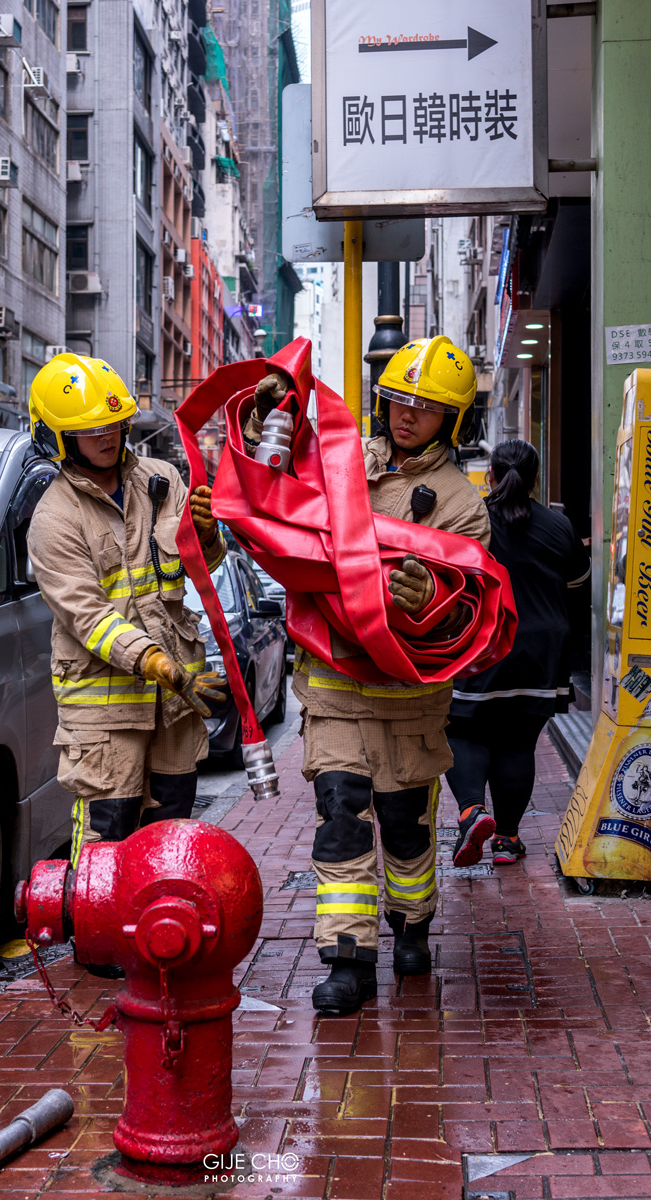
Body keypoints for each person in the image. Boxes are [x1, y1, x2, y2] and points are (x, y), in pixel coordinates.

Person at [246, 336, 491, 1015]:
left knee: (406, 827)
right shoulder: (344, 460)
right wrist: (266, 420)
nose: (407, 414)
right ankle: (347, 959)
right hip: (333, 688)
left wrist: (432, 601)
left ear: (453, 420)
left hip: (408, 701)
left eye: (426, 406)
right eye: (397, 399)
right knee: (341, 823)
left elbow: (468, 610)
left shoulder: (463, 504)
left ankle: (412, 927)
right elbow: (279, 490)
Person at [26, 353, 227, 872]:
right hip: (105, 719)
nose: (108, 437)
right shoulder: (54, 518)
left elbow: (201, 568)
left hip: (174, 705)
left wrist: (207, 536)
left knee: (168, 847)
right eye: (91, 429)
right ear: (56, 437)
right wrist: (154, 661)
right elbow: (87, 616)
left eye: (114, 423)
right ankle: (98, 930)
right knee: (106, 850)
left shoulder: (162, 480)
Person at [446, 439, 590, 867]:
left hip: (483, 644)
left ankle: (472, 811)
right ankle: (507, 839)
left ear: (490, 475)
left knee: (461, 730)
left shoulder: (471, 519)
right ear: (535, 478)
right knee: (519, 741)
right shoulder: (558, 525)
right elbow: (578, 581)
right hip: (541, 651)